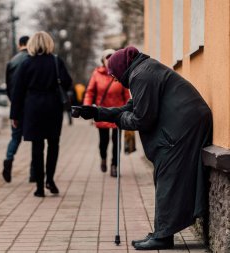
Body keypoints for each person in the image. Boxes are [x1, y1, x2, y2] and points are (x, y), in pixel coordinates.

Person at [76, 46, 212, 250]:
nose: (114, 79)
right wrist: (97, 113)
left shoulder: (141, 75)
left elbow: (142, 119)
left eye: (114, 74)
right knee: (167, 176)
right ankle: (163, 231)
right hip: (185, 123)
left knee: (167, 176)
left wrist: (119, 120)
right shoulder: (143, 70)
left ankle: (163, 236)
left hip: (183, 127)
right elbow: (132, 107)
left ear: (122, 68)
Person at [10, 31, 72, 197]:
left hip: (33, 108)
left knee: (37, 147)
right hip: (53, 107)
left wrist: (14, 115)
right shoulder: (56, 61)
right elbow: (67, 83)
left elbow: (18, 91)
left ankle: (38, 186)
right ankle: (50, 180)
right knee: (53, 145)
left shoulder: (26, 63)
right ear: (49, 43)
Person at [83, 49, 130, 177]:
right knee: (103, 142)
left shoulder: (120, 73)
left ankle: (114, 165)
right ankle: (103, 158)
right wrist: (87, 108)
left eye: (112, 57)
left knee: (117, 142)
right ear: (103, 60)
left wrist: (129, 110)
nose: (109, 59)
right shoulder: (97, 74)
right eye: (107, 57)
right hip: (102, 113)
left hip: (118, 113)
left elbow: (126, 94)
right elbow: (90, 92)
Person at [2, 36, 33, 183]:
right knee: (36, 139)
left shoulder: (12, 62)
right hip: (32, 106)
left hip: (17, 105)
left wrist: (14, 102)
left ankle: (8, 160)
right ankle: (34, 172)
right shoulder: (32, 60)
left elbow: (8, 87)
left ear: (19, 44)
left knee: (15, 137)